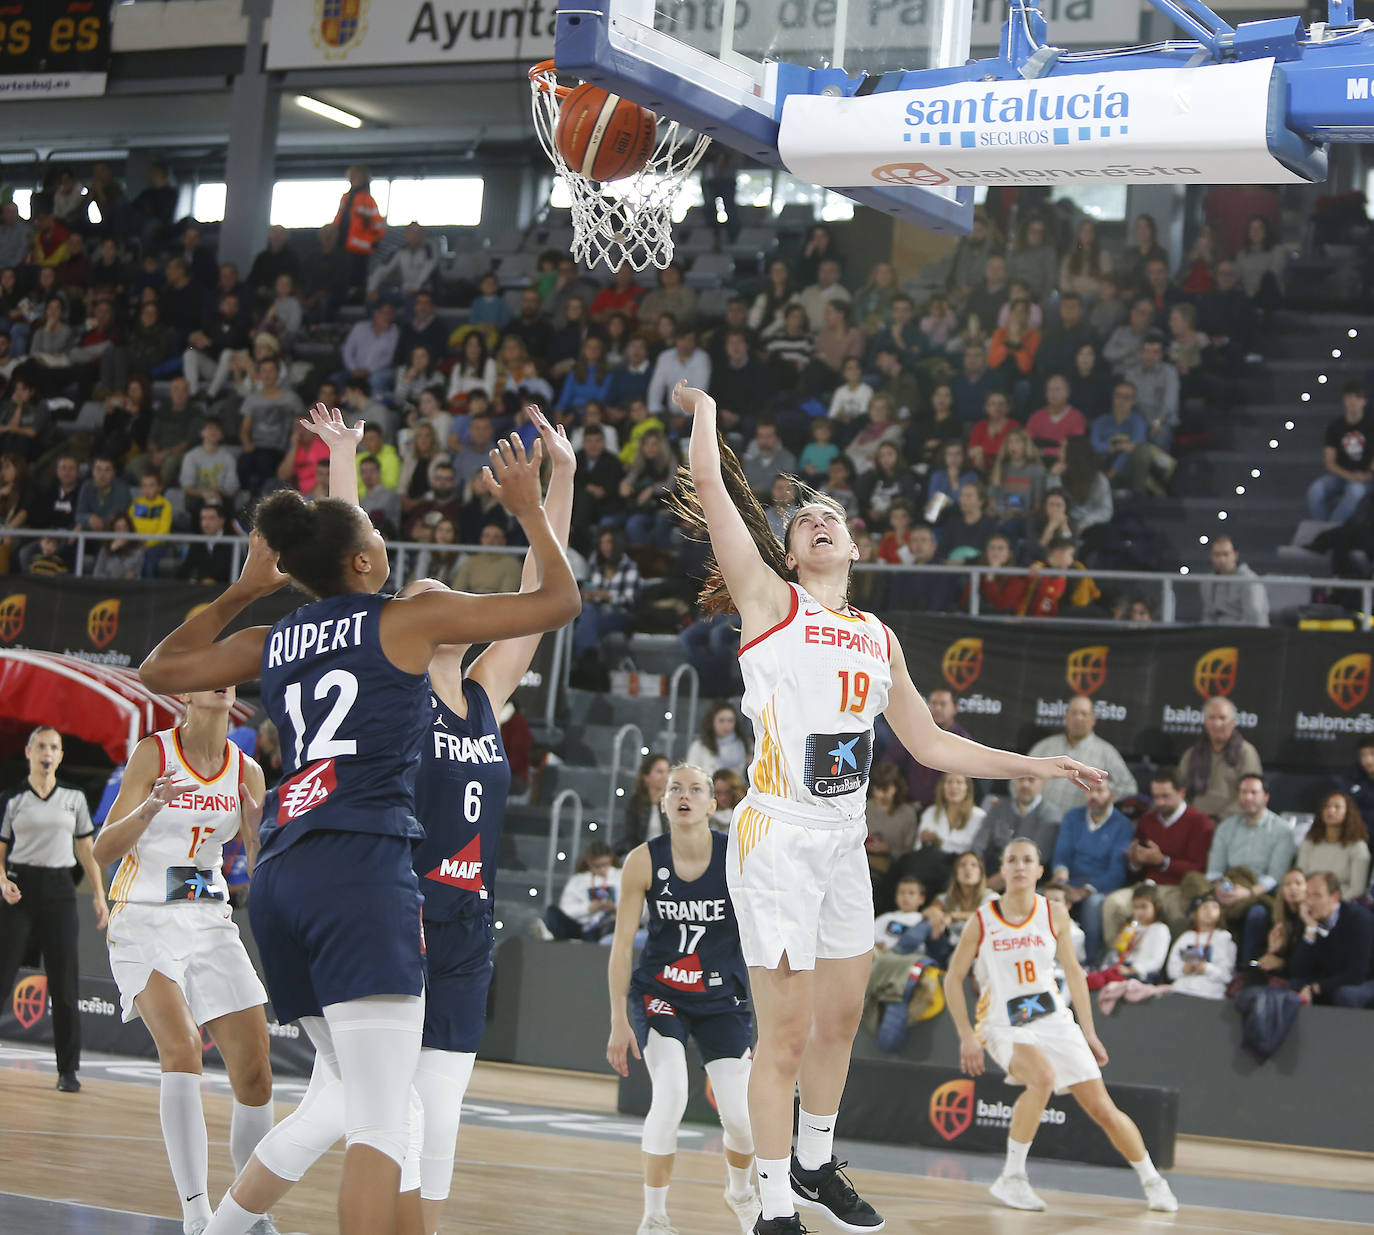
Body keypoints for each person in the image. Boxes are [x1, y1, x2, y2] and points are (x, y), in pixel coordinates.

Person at [669, 380, 1104, 1235]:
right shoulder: (771, 603)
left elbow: (932, 743)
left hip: (843, 840)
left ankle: (814, 1162)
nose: (817, 521)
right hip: (777, 834)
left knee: (841, 1019)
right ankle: (770, 1207)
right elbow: (713, 486)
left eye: (831, 516)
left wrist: (1038, 763)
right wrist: (708, 411)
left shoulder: (878, 634)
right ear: (789, 552)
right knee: (784, 1036)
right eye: (803, 520)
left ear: (855, 544)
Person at [137, 408, 579, 1235]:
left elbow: (160, 668)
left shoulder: (282, 634)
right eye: (377, 537)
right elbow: (557, 599)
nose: (386, 545)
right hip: (365, 872)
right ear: (367, 563)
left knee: (375, 1107)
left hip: (285, 875)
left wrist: (245, 587)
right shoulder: (403, 623)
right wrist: (528, 507)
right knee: (379, 1122)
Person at [93, 690, 275, 1235]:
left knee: (256, 1073)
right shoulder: (155, 752)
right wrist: (150, 807)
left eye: (228, 678)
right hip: (143, 916)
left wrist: (255, 840)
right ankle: (197, 1215)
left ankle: (249, 1212)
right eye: (208, 674)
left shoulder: (248, 772)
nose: (221, 684)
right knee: (182, 1047)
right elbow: (103, 850)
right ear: (188, 690)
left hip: (209, 918)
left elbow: (257, 868)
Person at [944, 839, 1177, 1214]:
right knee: (1042, 1078)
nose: (1020, 866)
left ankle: (1153, 1182)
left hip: (1051, 1017)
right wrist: (966, 1036)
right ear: (1002, 870)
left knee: (1103, 1109)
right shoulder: (983, 919)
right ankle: (1012, 1178)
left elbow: (1074, 973)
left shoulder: (1054, 913)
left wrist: (1089, 1032)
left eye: (1028, 860)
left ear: (1040, 870)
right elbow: (952, 979)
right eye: (1012, 860)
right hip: (1001, 1021)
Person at [607, 764, 760, 1235]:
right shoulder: (642, 861)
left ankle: (740, 1192)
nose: (684, 796)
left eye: (696, 789)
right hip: (662, 993)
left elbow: (763, 935)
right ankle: (654, 1217)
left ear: (714, 804)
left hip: (722, 996)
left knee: (741, 1118)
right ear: (663, 802)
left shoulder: (738, 856)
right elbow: (622, 945)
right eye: (675, 788)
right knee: (671, 1093)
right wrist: (617, 1019)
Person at [0, 727, 106, 1093]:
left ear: (60, 755)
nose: (47, 752)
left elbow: (86, 849)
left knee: (64, 983)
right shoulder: (12, 798)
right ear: (29, 751)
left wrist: (99, 894)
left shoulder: (74, 798)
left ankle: (68, 1070)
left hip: (59, 891)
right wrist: (2, 881)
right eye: (41, 746)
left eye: (54, 747)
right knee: (2, 975)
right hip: (19, 890)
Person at [1101, 774, 1215, 943]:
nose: (1160, 802)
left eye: (1165, 796)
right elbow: (1137, 870)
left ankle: (1175, 958)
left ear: (1181, 793)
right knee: (1113, 904)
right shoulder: (1147, 820)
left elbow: (1200, 869)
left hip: (1178, 888)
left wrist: (1163, 862)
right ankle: (1117, 955)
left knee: (1178, 915)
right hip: (1147, 886)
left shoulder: (1200, 822)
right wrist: (1135, 862)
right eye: (1156, 797)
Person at [1051, 780, 1135, 966]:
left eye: (1100, 791)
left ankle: (1088, 962)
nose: (1094, 796)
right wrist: (1062, 883)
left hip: (1101, 884)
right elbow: (1061, 856)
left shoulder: (1123, 825)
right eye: (1089, 790)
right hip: (1071, 880)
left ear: (1112, 796)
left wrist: (1086, 890)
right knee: (1043, 895)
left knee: (1092, 903)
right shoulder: (1073, 817)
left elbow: (1116, 873)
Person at [1028, 695, 1137, 819]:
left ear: (1093, 719)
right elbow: (1018, 778)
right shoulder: (1045, 746)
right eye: (1074, 713)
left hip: (1080, 823)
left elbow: (1129, 787)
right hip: (1039, 821)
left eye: (1084, 714)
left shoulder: (1106, 752)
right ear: (1066, 717)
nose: (1078, 718)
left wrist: (1102, 789)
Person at [1287, 870, 1374, 1007]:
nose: (1310, 902)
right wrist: (1310, 929)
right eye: (1307, 895)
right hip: (1332, 979)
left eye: (1317, 896)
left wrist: (1316, 987)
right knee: (1294, 986)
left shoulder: (1359, 919)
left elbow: (1357, 974)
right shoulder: (1308, 918)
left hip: (1366, 980)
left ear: (1335, 897)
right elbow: (1297, 971)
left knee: (1345, 995)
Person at [877, 687, 970, 811]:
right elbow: (889, 760)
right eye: (934, 703)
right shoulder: (915, 731)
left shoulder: (962, 739)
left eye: (943, 704)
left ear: (955, 708)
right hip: (910, 805)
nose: (937, 708)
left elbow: (965, 781)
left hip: (945, 808)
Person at [1176, 696, 1264, 822]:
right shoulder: (1191, 754)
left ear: (1233, 722)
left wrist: (1221, 820)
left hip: (1233, 822)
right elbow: (1179, 791)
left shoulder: (1246, 753)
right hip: (1194, 823)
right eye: (1212, 718)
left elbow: (1252, 795)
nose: (1217, 724)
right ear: (1205, 722)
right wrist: (1190, 818)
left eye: (1222, 718)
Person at [980, 774, 1060, 892]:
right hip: (990, 868)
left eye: (1031, 780)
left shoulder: (1050, 815)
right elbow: (979, 843)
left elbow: (1037, 857)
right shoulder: (999, 807)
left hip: (1023, 876)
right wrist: (974, 869)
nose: (1025, 784)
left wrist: (982, 888)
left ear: (1042, 783)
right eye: (1021, 779)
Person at [1307, 379, 1371, 524]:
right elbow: (1329, 461)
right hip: (1342, 475)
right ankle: (1324, 527)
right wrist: (1348, 475)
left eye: (1357, 397)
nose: (1352, 402)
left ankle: (1331, 528)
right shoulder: (1335, 427)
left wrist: (1367, 474)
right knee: (1315, 490)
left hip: (1366, 477)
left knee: (1355, 491)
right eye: (1349, 397)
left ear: (1364, 401)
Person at [1297, 792, 1371, 900]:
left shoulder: (1358, 847)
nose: (1331, 810)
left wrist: (1331, 904)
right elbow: (1300, 877)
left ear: (1348, 812)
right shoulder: (1310, 842)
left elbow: (1357, 890)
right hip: (1308, 900)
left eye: (1337, 807)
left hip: (1342, 903)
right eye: (1327, 806)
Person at [1165, 892, 1236, 1000]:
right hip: (1182, 989)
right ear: (1194, 914)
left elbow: (1227, 975)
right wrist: (1183, 969)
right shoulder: (1186, 937)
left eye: (1214, 907)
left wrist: (1206, 968)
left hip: (1211, 993)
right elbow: (1171, 971)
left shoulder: (1224, 938)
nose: (1209, 911)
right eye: (1205, 907)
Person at [1198, 536, 1269, 627]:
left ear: (1235, 555)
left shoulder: (1250, 581)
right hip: (1216, 632)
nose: (1221, 559)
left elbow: (1253, 619)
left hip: (1244, 632)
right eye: (1217, 554)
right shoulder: (1207, 582)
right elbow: (1208, 615)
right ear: (1211, 556)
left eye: (1226, 554)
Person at [686, 702, 753, 779]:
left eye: (730, 720)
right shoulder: (699, 746)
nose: (726, 725)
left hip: (737, 785)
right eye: (721, 721)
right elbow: (691, 774)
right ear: (711, 722)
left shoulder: (746, 744)